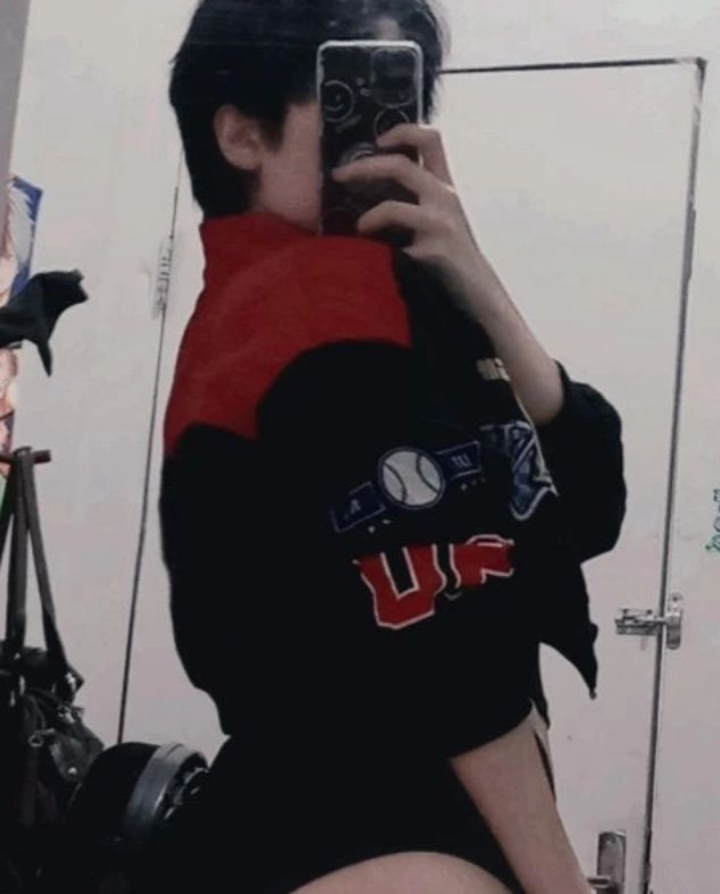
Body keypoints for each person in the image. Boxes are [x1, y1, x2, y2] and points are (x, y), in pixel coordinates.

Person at [145, 2, 627, 893]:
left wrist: (474, 273)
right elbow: (447, 637)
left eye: (400, 99)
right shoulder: (311, 312)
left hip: (370, 828)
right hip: (362, 828)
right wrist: (559, 882)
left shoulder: (394, 298)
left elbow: (583, 505)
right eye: (345, 101)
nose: (384, 137)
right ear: (242, 135)